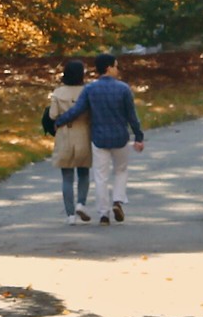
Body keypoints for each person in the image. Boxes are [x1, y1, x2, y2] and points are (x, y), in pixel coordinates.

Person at [53, 53, 144, 224]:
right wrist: (138, 136)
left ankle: (104, 213)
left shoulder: (90, 89)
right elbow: (132, 116)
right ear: (108, 68)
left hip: (99, 138)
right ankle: (117, 200)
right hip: (120, 137)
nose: (117, 70)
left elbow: (78, 110)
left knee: (100, 176)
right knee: (120, 170)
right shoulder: (123, 89)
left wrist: (60, 121)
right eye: (116, 66)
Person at [44, 58, 93, 225]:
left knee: (67, 176)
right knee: (84, 172)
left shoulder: (58, 93)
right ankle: (81, 203)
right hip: (83, 133)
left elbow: (52, 115)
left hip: (64, 134)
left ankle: (70, 215)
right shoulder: (87, 91)